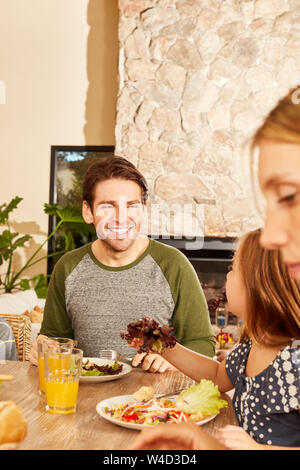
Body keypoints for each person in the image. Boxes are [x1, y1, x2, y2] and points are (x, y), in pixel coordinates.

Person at [29, 155, 216, 373]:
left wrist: (171, 360)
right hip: (85, 399)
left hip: (154, 404)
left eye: (131, 205)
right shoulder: (68, 267)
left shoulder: (173, 265)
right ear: (88, 212)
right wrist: (43, 347)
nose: (121, 218)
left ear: (143, 210)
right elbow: (54, 341)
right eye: (108, 206)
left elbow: (203, 343)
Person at [129, 228, 300, 450]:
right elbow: (216, 376)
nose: (227, 275)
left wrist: (259, 449)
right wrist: (161, 344)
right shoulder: (251, 346)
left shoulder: (293, 362)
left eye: (234, 268)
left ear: (261, 286)